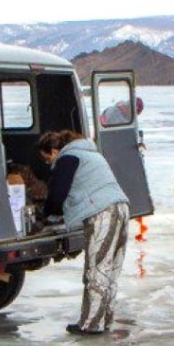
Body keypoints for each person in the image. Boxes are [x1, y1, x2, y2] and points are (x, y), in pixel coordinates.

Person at [40, 130, 130, 335]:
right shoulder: (90, 154)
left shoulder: (68, 158)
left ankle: (90, 324)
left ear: (54, 151)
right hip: (121, 207)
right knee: (111, 269)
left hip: (102, 213)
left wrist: (45, 214)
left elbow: (57, 196)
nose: (49, 163)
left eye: (47, 159)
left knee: (97, 269)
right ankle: (105, 320)